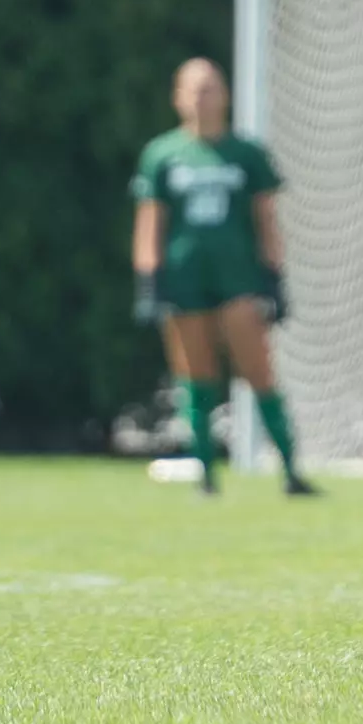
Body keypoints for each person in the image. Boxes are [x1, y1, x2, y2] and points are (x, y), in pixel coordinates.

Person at [131, 58, 318, 497]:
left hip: (238, 279)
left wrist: (274, 279)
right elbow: (150, 222)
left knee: (258, 371)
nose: (202, 97)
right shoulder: (162, 154)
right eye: (193, 88)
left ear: (225, 94)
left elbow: (266, 220)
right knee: (196, 377)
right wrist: (148, 281)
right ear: (177, 97)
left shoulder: (247, 154)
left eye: (210, 87)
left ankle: (291, 470)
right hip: (184, 279)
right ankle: (206, 476)